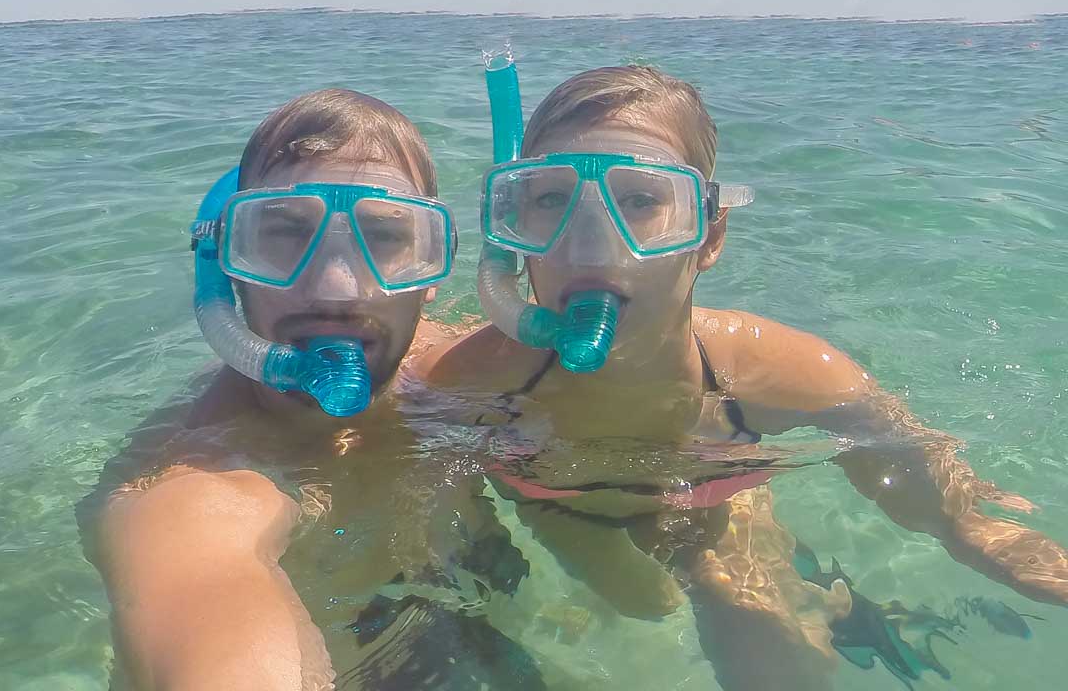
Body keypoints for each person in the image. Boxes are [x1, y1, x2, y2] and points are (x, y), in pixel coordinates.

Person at [422, 56, 1068, 690]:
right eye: (551, 199)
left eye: (641, 200)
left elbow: (941, 499)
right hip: (558, 506)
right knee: (643, 605)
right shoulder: (468, 379)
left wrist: (977, 532)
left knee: (774, 660)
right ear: (510, 230)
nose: (591, 243)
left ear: (708, 235)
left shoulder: (784, 373)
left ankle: (837, 606)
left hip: (708, 499)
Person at [78, 90, 539, 691]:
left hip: (462, 612)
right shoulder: (200, 487)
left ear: (433, 269)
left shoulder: (445, 361)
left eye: (383, 237)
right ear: (228, 266)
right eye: (287, 234)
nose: (335, 289)